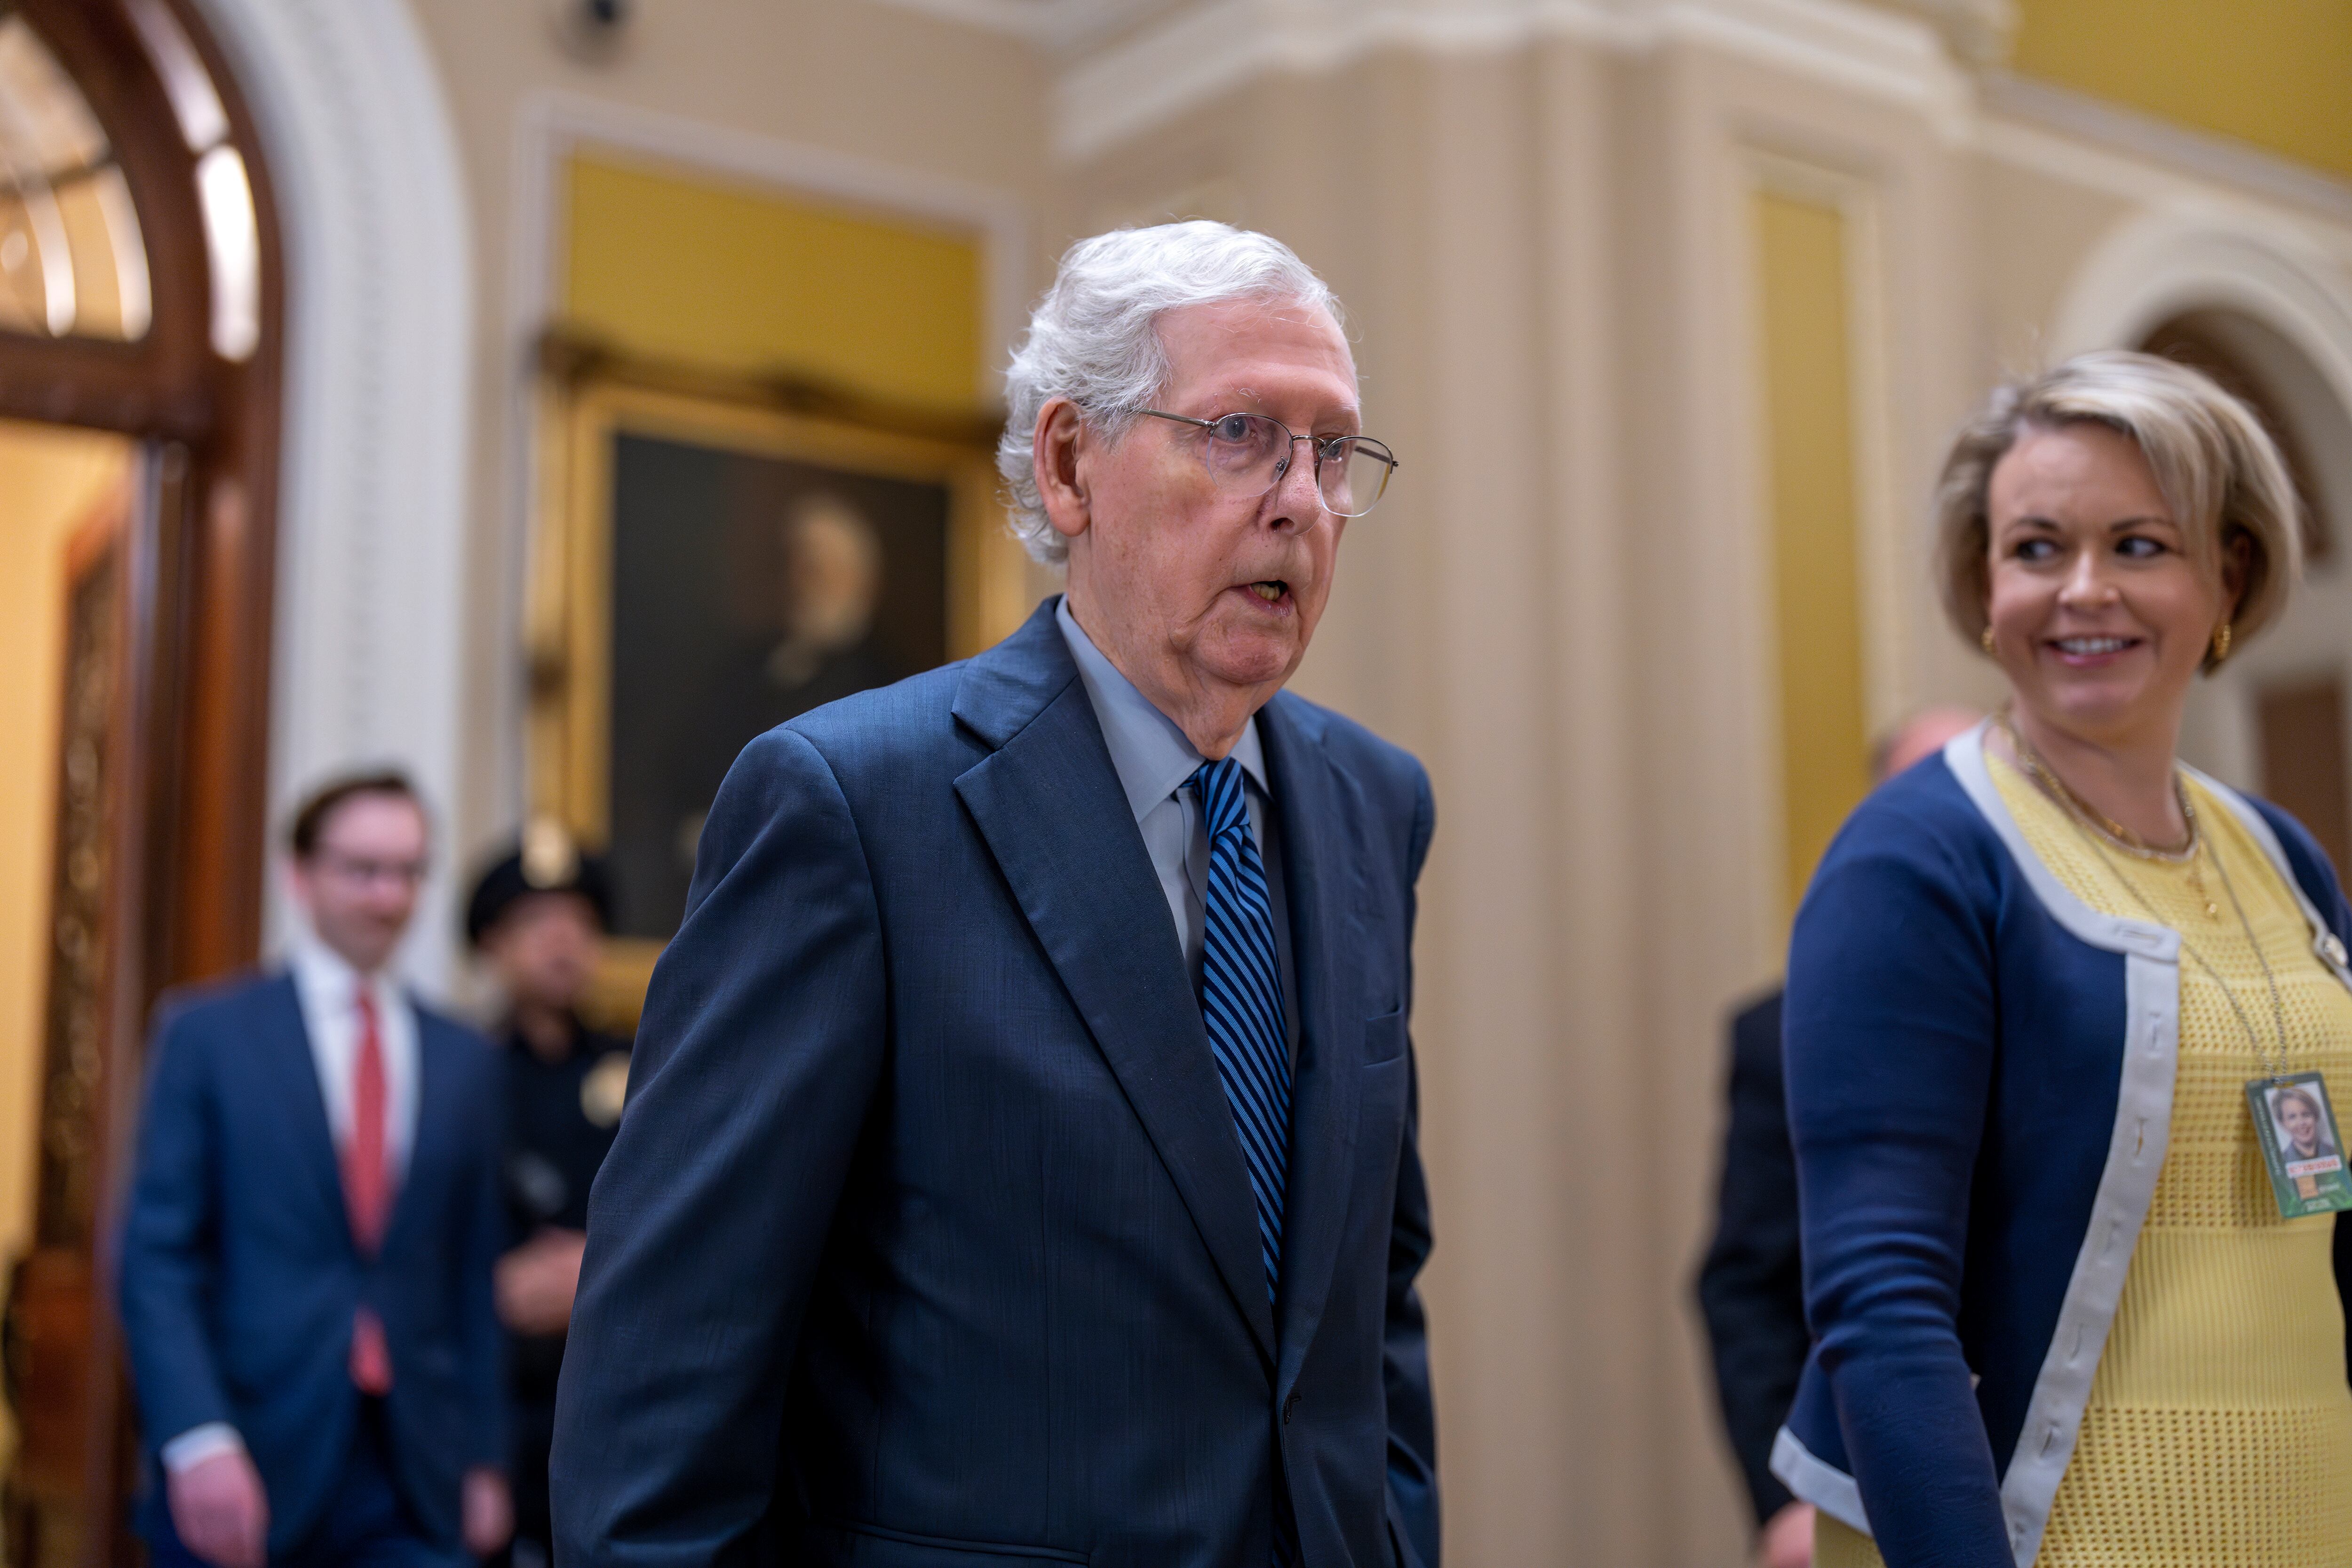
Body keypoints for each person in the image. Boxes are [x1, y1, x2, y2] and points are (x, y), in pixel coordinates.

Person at [550, 221, 1434, 1568]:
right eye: (1242, 432)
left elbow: (1369, 1305)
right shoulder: (849, 805)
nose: (1301, 502)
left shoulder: (1373, 801)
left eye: (1330, 451)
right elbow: (666, 1383)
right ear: (1072, 464)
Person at [1774, 350, 2352, 1568]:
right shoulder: (1916, 855)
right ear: (1985, 586)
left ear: (2228, 572)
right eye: (2037, 548)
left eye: (2139, 544)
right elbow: (1881, 1301)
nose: (2085, 589)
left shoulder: (2280, 852)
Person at [119, 772, 510, 1568]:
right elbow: (156, 1258)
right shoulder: (208, 1035)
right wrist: (197, 1436)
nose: (388, 896)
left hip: (413, 1474)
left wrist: (486, 1456)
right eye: (363, 869)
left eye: (409, 871)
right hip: (247, 1455)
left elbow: (472, 1275)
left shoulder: (465, 1058)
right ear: (299, 874)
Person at [1695, 706, 1978, 1568]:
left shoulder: (2084, 1009)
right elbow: (1748, 1290)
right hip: (1862, 1487)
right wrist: (1785, 1501)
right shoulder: (1784, 1034)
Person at [462, 822, 632, 1568]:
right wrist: (493, 1286)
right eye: (537, 922)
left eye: (579, 922)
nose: (563, 941)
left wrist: (594, 1275)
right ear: (492, 943)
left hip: (612, 1399)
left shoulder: (646, 1068)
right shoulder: (462, 1073)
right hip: (498, 1405)